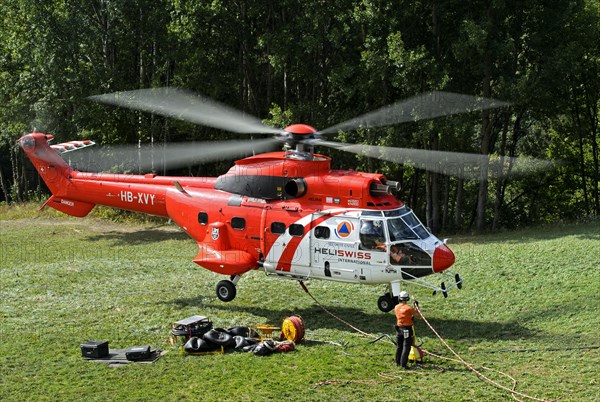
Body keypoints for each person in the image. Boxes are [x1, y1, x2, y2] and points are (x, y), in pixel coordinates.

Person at [394, 291, 420, 368]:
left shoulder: (396, 307)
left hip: (399, 329)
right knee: (406, 346)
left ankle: (397, 362)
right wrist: (417, 306)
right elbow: (418, 315)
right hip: (407, 329)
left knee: (399, 346)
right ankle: (403, 365)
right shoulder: (409, 308)